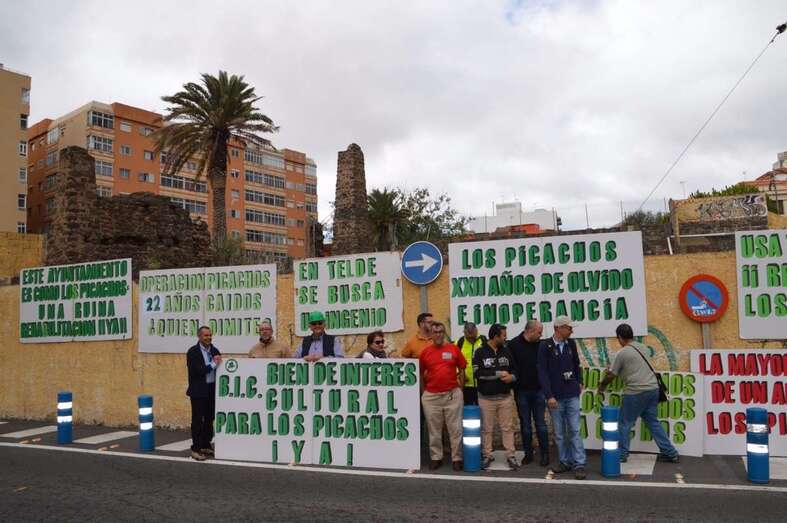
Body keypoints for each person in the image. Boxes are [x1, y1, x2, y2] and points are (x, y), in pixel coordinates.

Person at [599, 323, 680, 464]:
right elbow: (634, 368)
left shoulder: (622, 353)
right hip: (653, 390)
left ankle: (622, 454)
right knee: (653, 422)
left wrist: (602, 386)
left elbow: (612, 375)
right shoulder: (643, 348)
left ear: (619, 337)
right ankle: (670, 453)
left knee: (625, 423)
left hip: (635, 392)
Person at [537, 316, 586, 479]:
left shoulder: (571, 344)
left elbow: (576, 364)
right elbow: (542, 372)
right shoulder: (545, 346)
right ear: (559, 328)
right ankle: (565, 461)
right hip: (555, 397)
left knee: (575, 429)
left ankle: (579, 463)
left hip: (572, 394)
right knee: (559, 432)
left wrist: (579, 381)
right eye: (569, 328)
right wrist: (548, 395)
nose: (571, 330)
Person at [419, 321, 466, 471]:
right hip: (431, 397)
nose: (438, 334)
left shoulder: (453, 349)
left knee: (455, 428)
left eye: (441, 332)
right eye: (435, 332)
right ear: (431, 334)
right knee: (434, 430)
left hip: (452, 394)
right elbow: (420, 373)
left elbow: (462, 368)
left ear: (443, 333)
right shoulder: (425, 352)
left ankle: (457, 458)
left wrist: (461, 388)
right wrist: (423, 392)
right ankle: (436, 457)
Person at [473, 323, 518, 471]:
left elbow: (515, 369)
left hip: (505, 397)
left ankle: (510, 455)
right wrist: (498, 374)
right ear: (495, 336)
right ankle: (487, 455)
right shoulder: (480, 352)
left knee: (508, 428)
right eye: (503, 335)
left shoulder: (507, 351)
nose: (506, 338)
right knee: (487, 429)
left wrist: (512, 377)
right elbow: (477, 374)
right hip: (486, 399)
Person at [508, 319, 550, 466]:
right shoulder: (513, 345)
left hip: (539, 390)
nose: (541, 335)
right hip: (521, 392)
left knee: (541, 424)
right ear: (530, 331)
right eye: (539, 332)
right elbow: (511, 368)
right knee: (525, 425)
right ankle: (528, 454)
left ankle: (545, 454)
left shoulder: (542, 345)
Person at [186, 326, 222, 461]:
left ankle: (206, 444)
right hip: (198, 391)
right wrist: (213, 364)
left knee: (209, 418)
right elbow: (198, 371)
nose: (209, 337)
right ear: (199, 337)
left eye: (210, 335)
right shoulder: (193, 352)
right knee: (197, 420)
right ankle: (195, 449)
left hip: (212, 389)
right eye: (206, 335)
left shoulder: (214, 350)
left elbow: (220, 366)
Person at [456, 322, 486, 405]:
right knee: (467, 410)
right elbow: (453, 361)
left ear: (476, 330)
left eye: (472, 336)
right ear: (464, 332)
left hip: (482, 384)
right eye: (468, 337)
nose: (470, 339)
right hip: (465, 385)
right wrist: (458, 374)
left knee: (483, 411)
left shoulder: (484, 341)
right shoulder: (459, 342)